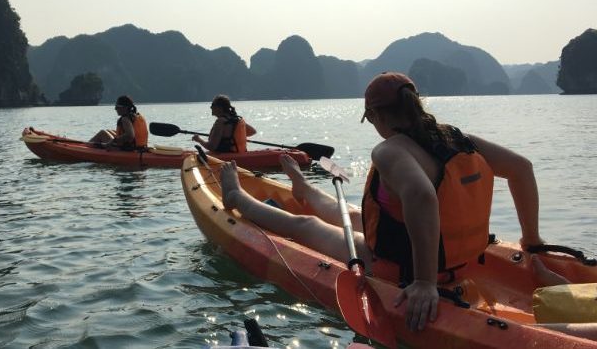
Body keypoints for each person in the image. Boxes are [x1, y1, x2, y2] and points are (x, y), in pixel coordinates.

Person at [220, 72, 547, 333]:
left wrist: (423, 283)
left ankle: (236, 197)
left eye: (371, 118)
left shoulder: (390, 150)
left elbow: (421, 196)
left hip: (396, 267)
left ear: (375, 114)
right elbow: (522, 169)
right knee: (353, 214)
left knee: (307, 225)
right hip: (457, 260)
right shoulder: (459, 139)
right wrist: (531, 239)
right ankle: (305, 191)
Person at [192, 95, 257, 153]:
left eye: (213, 105)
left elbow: (211, 147)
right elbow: (253, 132)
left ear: (220, 108)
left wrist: (198, 139)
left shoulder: (220, 121)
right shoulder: (237, 119)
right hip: (240, 154)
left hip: (226, 157)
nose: (210, 107)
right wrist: (235, 135)